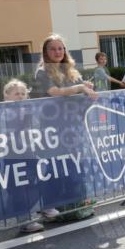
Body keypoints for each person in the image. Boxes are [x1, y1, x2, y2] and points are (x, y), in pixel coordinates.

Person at [31, 34, 98, 221]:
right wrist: (80, 89)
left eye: (60, 48)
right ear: (45, 52)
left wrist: (86, 85)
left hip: (71, 126)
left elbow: (78, 87)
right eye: (53, 49)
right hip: (52, 128)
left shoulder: (70, 69)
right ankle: (49, 206)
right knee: (54, 168)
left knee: (73, 166)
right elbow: (55, 92)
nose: (57, 52)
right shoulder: (42, 72)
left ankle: (74, 203)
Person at [2, 80, 46, 233]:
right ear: (7, 96)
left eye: (23, 94)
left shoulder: (29, 110)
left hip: (30, 152)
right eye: (16, 94)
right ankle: (24, 220)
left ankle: (39, 209)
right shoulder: (3, 111)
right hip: (12, 155)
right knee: (18, 188)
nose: (20, 97)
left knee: (33, 182)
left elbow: (35, 127)